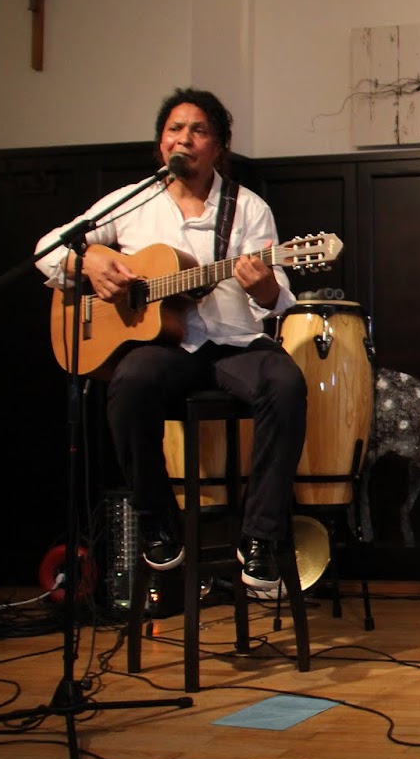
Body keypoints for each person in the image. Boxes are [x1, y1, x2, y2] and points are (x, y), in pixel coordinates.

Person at [36, 87, 306, 591]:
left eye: (198, 130)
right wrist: (89, 263)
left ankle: (261, 536)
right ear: (161, 143)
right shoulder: (132, 201)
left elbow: (277, 300)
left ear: (218, 146)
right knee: (130, 383)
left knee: (286, 384)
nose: (184, 138)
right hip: (167, 348)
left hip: (233, 345)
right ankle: (157, 521)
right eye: (174, 129)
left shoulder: (248, 209)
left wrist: (264, 286)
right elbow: (48, 249)